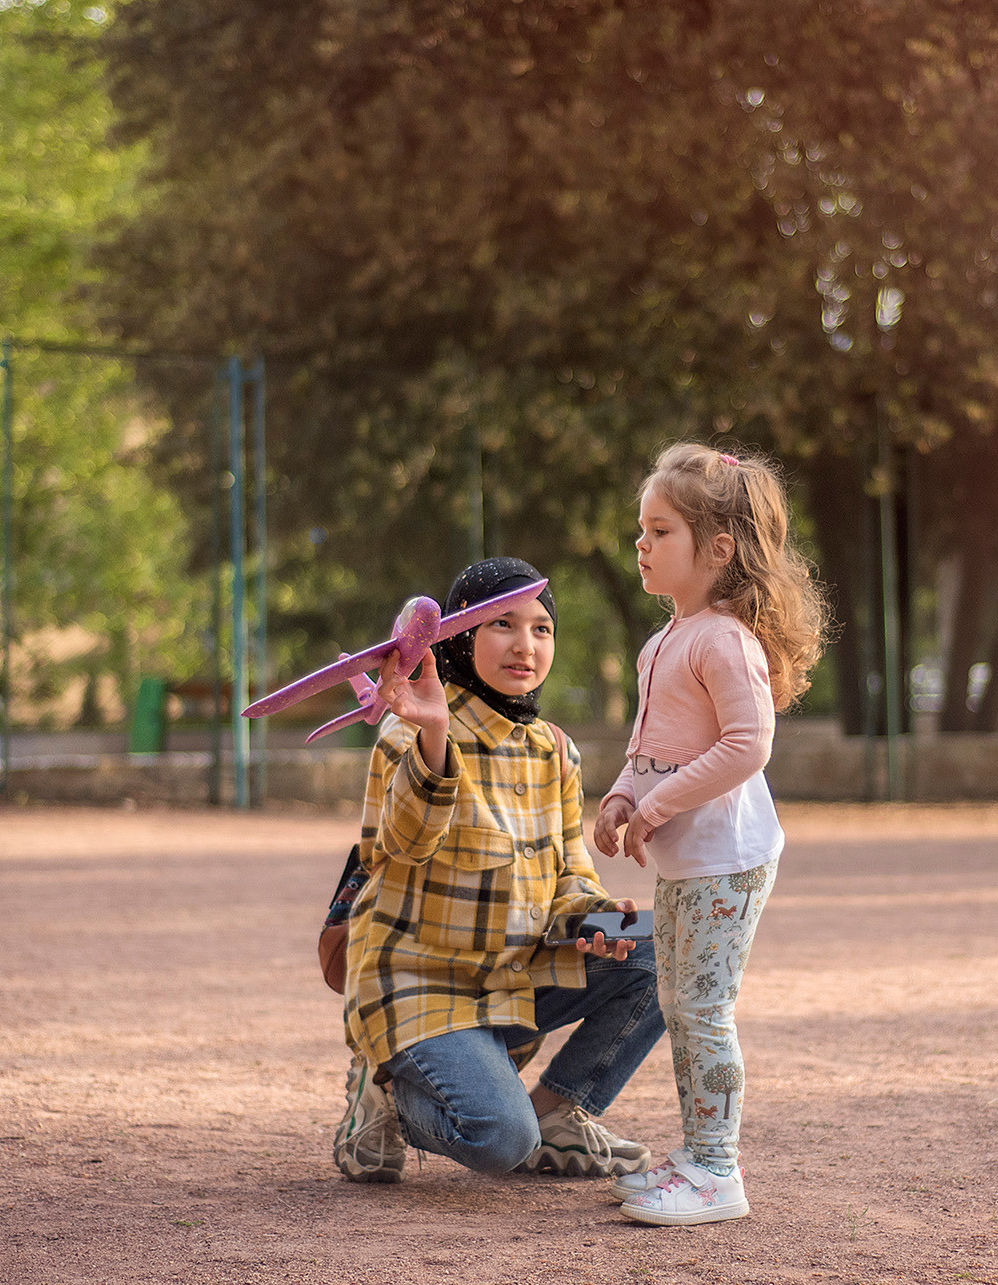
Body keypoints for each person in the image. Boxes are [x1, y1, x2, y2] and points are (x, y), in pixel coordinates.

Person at [332, 558, 663, 1185]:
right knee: (500, 1140)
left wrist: (595, 916)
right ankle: (383, 1088)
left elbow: (568, 870)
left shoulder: (553, 750)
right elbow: (399, 847)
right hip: (421, 984)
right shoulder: (411, 731)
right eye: (502, 625)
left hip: (512, 976)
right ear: (458, 638)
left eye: (542, 629)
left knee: (665, 948)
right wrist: (433, 737)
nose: (525, 645)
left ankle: (560, 1112)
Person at [591, 443, 826, 1226]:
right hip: (688, 861)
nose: (642, 544)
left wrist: (654, 810)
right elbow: (651, 744)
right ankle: (696, 1152)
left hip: (727, 857)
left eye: (660, 531)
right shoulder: (665, 640)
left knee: (701, 1007)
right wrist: (624, 795)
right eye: (641, 530)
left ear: (716, 549)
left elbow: (747, 744)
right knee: (679, 1000)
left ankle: (718, 1170)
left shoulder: (723, 637)